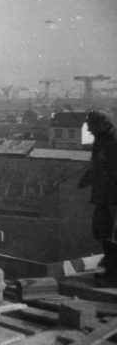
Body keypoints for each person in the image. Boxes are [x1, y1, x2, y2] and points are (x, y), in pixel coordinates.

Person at [78, 110, 117, 285]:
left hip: (113, 198)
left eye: (91, 127)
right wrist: (86, 179)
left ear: (101, 124)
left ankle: (113, 276)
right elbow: (98, 165)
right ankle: (110, 272)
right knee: (103, 233)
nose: (89, 131)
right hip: (103, 197)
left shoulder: (113, 141)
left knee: (112, 235)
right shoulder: (101, 140)